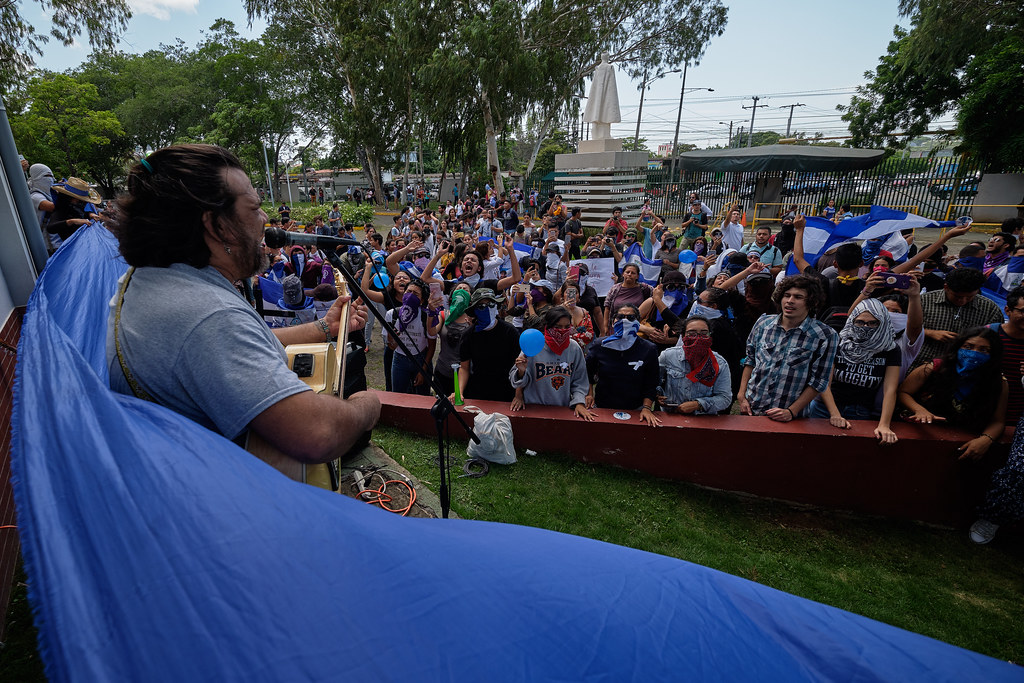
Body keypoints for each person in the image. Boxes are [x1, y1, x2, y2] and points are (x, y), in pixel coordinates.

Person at [107, 144, 379, 464]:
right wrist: (365, 404)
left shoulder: (151, 279)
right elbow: (317, 434)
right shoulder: (209, 315)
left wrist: (323, 327)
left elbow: (233, 346)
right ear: (217, 225)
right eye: (254, 207)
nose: (265, 218)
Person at [898, 326, 1007, 461]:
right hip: (921, 437)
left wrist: (985, 439)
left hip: (965, 444)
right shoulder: (933, 368)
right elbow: (903, 392)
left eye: (983, 350)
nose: (974, 353)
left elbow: (998, 421)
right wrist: (920, 410)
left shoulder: (998, 382)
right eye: (968, 347)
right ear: (958, 347)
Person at [738, 275, 837, 420]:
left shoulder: (825, 335)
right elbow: (750, 360)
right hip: (752, 409)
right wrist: (742, 395)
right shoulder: (763, 324)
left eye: (798, 297)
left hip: (791, 416)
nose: (790, 301)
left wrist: (791, 411)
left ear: (811, 302)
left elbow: (819, 380)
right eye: (786, 295)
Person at [809, 299, 901, 443]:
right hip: (824, 408)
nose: (865, 327)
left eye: (872, 323)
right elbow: (824, 380)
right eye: (860, 322)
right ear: (852, 320)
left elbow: (890, 389)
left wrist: (884, 425)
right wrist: (835, 414)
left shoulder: (890, 348)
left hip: (859, 411)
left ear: (882, 323)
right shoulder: (839, 341)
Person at [510, 306, 594, 420]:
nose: (562, 331)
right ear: (547, 326)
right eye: (557, 327)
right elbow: (518, 382)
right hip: (533, 409)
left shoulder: (574, 348)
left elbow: (579, 381)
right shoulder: (534, 344)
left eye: (566, 327)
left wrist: (579, 402)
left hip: (562, 410)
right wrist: (521, 371)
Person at [585, 304, 661, 426]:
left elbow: (651, 381)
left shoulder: (648, 349)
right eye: (620, 317)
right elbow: (587, 373)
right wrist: (589, 395)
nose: (625, 321)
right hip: (603, 406)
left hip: (636, 409)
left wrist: (646, 408)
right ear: (613, 321)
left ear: (638, 322)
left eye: (631, 317)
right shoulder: (600, 345)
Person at [915, 267, 1003, 369]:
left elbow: (995, 341)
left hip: (965, 369)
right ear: (946, 287)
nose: (963, 301)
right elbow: (902, 329)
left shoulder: (990, 309)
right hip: (922, 363)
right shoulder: (924, 301)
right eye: (957, 296)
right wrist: (930, 333)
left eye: (969, 297)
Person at [657, 316, 733, 415]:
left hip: (704, 421)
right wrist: (657, 395)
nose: (698, 338)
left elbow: (724, 398)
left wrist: (698, 404)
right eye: (691, 334)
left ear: (710, 336)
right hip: (671, 417)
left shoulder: (719, 363)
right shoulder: (668, 356)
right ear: (683, 336)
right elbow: (652, 382)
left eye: (704, 334)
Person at [457, 288, 521, 402]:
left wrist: (518, 395)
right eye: (481, 306)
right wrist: (459, 392)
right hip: (478, 391)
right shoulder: (468, 335)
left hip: (506, 391)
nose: (487, 308)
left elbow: (519, 366)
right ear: (475, 310)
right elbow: (464, 368)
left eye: (491, 304)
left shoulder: (510, 331)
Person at [384, 277, 435, 395]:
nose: (410, 296)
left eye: (415, 294)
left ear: (422, 300)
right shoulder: (392, 315)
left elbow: (431, 347)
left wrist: (423, 371)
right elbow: (391, 347)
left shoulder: (426, 317)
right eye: (408, 292)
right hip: (399, 360)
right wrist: (392, 339)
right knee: (398, 395)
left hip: (421, 359)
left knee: (422, 397)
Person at [603, 264, 652, 335]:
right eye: (627, 272)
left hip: (636, 331)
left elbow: (656, 296)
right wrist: (605, 327)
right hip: (616, 329)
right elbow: (607, 308)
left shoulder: (645, 288)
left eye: (633, 273)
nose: (629, 274)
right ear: (623, 274)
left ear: (637, 276)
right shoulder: (615, 289)